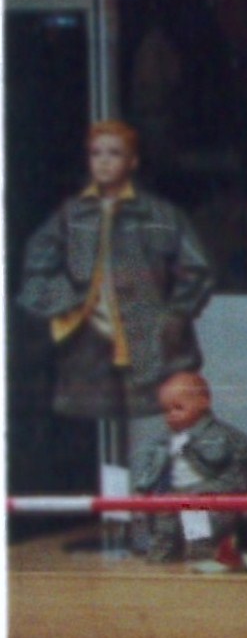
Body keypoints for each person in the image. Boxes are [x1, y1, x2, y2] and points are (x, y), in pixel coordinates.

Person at [16, 119, 215, 443]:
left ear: (132, 161)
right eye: (96, 153)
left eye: (114, 153)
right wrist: (67, 299)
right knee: (95, 431)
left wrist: (174, 316)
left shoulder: (159, 215)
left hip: (152, 345)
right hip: (88, 345)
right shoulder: (71, 216)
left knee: (155, 427)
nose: (104, 161)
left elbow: (196, 270)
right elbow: (35, 271)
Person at [129, 370, 247, 565]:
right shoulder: (164, 441)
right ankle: (164, 561)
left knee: (200, 541)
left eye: (178, 408)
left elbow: (240, 476)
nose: (171, 415)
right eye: (166, 410)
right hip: (172, 498)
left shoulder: (228, 439)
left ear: (203, 402)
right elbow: (151, 469)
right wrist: (142, 489)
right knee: (164, 534)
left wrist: (203, 493)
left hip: (208, 501)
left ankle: (202, 559)